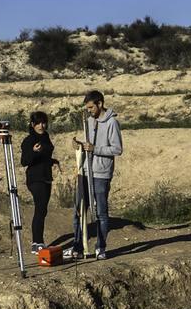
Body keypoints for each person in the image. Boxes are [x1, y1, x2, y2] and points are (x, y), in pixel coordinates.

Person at [70, 90, 122, 260]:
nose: (89, 110)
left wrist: (95, 149)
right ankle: (77, 246)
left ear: (100, 104)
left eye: (91, 107)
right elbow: (88, 145)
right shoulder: (89, 121)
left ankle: (101, 247)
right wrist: (79, 146)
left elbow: (117, 149)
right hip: (85, 171)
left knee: (101, 212)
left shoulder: (112, 123)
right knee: (79, 210)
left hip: (101, 173)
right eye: (87, 108)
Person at [19, 111, 61, 252]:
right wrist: (33, 152)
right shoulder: (29, 140)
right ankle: (37, 243)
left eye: (43, 122)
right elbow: (24, 161)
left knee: (43, 210)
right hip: (35, 178)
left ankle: (38, 241)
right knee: (40, 208)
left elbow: (46, 155)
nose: (41, 126)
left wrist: (53, 161)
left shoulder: (46, 137)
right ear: (32, 124)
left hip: (46, 177)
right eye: (38, 123)